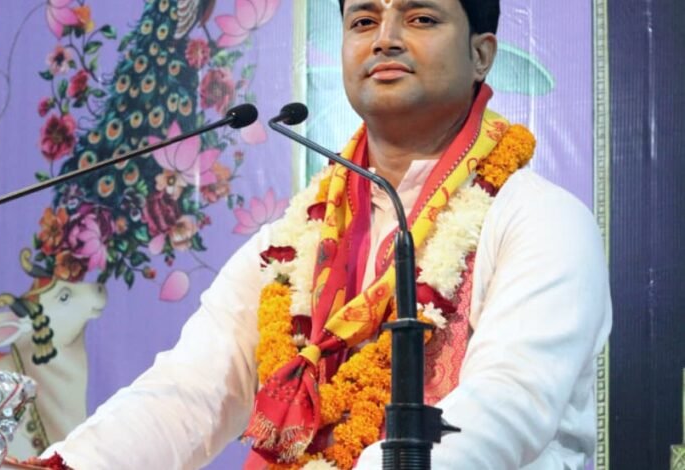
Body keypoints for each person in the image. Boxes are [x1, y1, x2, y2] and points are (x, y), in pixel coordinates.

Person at [40, 0, 612, 468]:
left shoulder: (542, 221)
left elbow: (508, 404)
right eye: (363, 20)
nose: (385, 39)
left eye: (420, 18)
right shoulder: (292, 242)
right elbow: (189, 391)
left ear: (481, 54)